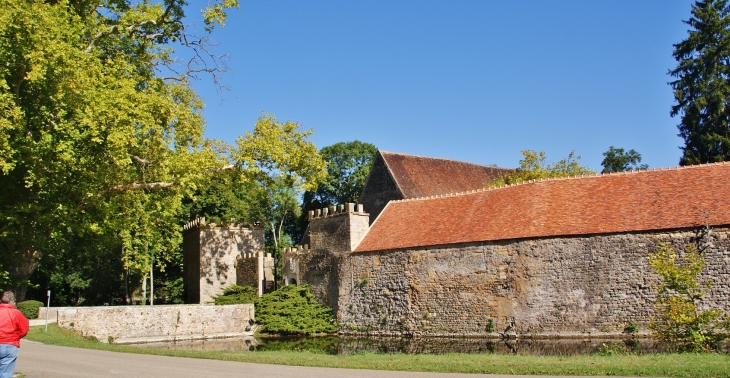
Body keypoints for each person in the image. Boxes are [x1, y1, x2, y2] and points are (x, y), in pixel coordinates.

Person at [0, 292, 29, 378]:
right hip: (10, 345)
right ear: (12, 301)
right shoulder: (16, 313)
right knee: (5, 373)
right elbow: (24, 329)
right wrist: (16, 337)